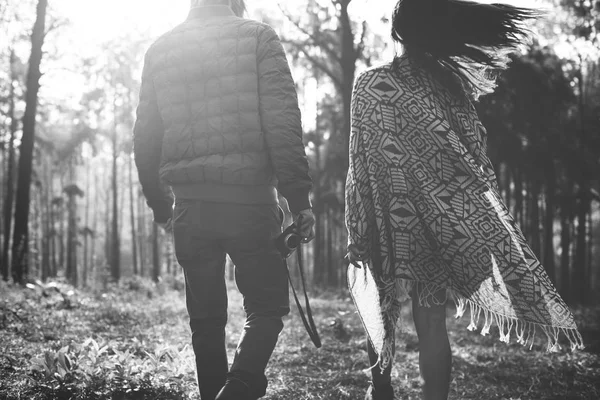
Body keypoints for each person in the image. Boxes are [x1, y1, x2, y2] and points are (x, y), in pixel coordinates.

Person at [345, 1, 584, 399]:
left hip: (384, 218)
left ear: (397, 31)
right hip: (438, 224)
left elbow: (358, 161)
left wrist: (357, 223)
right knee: (431, 321)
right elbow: (475, 153)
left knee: (378, 304)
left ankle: (379, 391)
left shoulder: (369, 85)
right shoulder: (449, 90)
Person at [133, 0, 315, 399]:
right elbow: (283, 122)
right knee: (267, 308)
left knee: (206, 320)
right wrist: (298, 198)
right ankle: (239, 387)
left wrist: (161, 205)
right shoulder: (258, 37)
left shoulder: (161, 48)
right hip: (250, 204)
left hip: (190, 206)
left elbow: (146, 137)